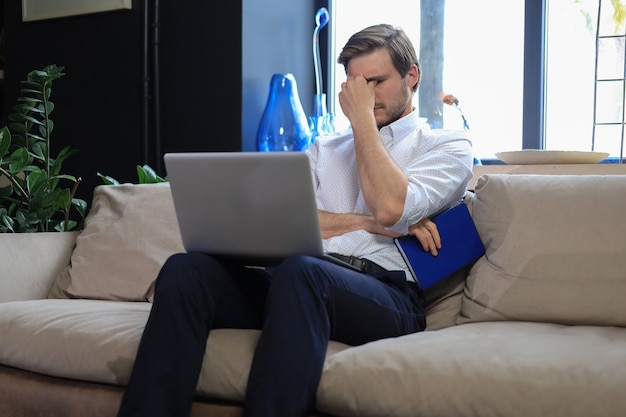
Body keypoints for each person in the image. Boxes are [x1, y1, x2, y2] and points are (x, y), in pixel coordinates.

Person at [117, 23, 473, 417]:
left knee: (303, 273)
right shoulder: (324, 149)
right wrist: (363, 222)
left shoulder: (446, 146)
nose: (366, 96)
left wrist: (362, 126)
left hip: (387, 294)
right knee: (187, 270)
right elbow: (285, 220)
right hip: (297, 280)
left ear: (412, 76)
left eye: (377, 81)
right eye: (356, 85)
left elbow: (389, 206)